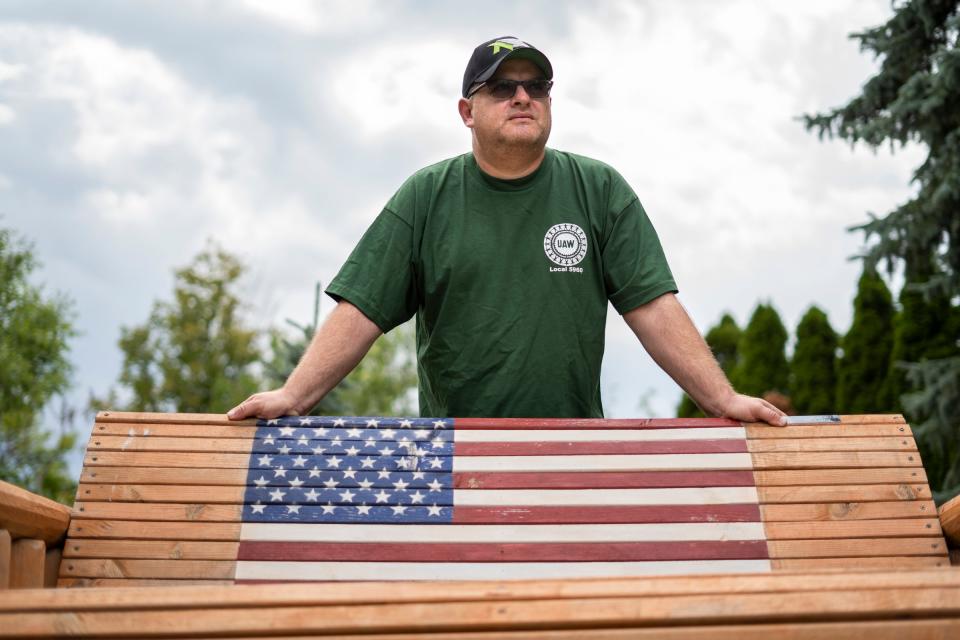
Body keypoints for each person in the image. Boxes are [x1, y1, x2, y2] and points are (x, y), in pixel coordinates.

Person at [228, 36, 786, 427]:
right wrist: (294, 396)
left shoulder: (599, 189)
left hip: (573, 452)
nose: (523, 96)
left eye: (536, 86)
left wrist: (721, 397)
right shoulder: (426, 196)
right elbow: (362, 311)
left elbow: (654, 307)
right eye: (502, 88)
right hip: (456, 456)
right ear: (467, 111)